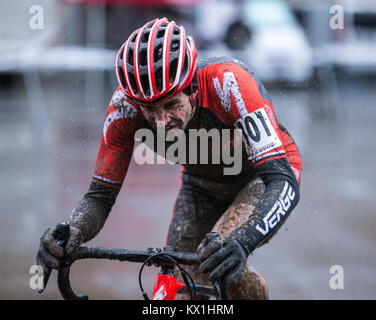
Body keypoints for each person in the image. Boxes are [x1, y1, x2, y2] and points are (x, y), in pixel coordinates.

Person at [36, 17, 301, 300]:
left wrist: (242, 242)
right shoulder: (124, 109)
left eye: (172, 104)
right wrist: (71, 232)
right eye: (148, 110)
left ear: (193, 89)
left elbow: (283, 182)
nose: (160, 121)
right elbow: (100, 196)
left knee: (213, 262)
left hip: (260, 178)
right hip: (201, 184)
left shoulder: (228, 83)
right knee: (176, 285)